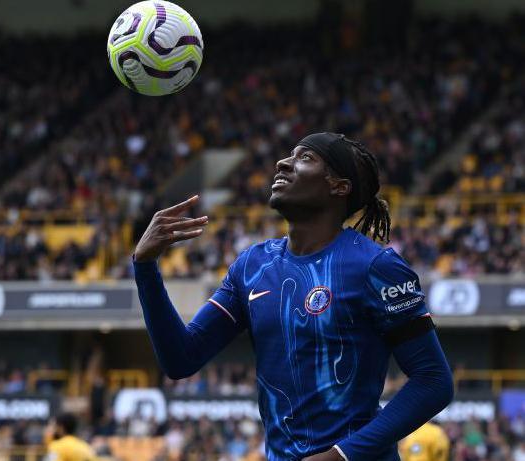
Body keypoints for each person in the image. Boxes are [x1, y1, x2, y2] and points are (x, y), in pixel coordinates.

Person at [133, 132, 454, 460]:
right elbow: (181, 358)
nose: (282, 163)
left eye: (305, 158)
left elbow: (433, 380)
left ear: (339, 187)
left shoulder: (375, 266)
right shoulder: (252, 266)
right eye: (290, 155)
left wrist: (340, 456)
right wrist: (145, 268)